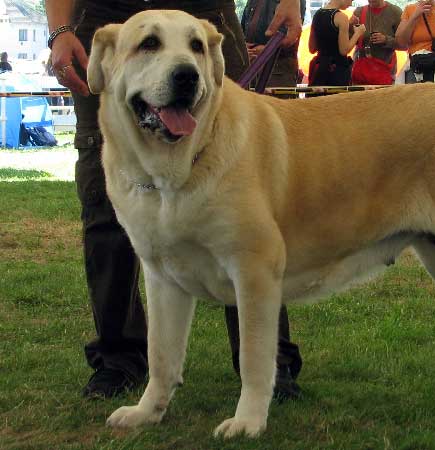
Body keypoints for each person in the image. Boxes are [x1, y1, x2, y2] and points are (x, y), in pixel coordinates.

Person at [44, 0, 303, 400]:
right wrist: (60, 31)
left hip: (206, 14)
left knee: (244, 206)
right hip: (105, 14)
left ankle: (269, 366)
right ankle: (119, 359)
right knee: (105, 208)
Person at [242, 0, 306, 88]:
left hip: (278, 70)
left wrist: (266, 50)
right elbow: (243, 30)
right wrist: (243, 47)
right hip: (251, 69)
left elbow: (292, 35)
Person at [307, 0, 366, 86]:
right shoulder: (341, 17)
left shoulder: (317, 14)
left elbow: (312, 48)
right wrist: (358, 33)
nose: (350, 4)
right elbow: (344, 50)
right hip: (337, 71)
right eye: (351, 0)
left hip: (320, 69)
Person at [349, 0, 402, 85]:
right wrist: (350, 25)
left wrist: (386, 40)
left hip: (385, 69)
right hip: (361, 70)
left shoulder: (395, 12)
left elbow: (404, 44)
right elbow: (348, 41)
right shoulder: (359, 11)